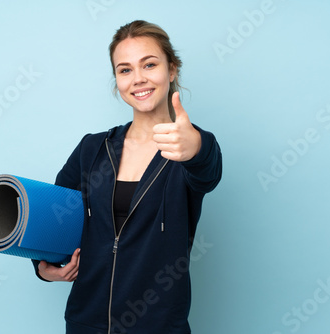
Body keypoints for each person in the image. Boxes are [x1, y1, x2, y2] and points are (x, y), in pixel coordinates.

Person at [31, 20, 222, 334]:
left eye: (149, 64)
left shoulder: (185, 147)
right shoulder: (92, 148)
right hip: (86, 323)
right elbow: (53, 218)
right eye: (125, 69)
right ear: (117, 79)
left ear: (172, 70)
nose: (138, 79)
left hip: (159, 326)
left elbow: (208, 171)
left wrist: (196, 147)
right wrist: (43, 268)